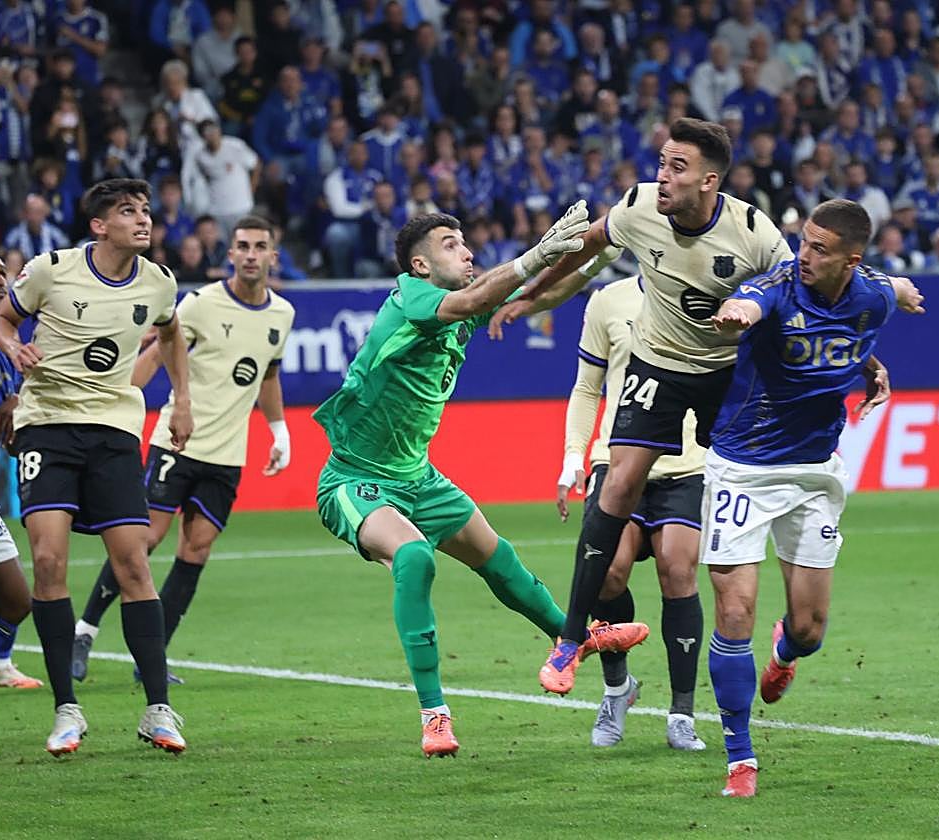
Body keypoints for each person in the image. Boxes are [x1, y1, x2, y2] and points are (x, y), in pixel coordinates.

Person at [313, 203, 649, 758]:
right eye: (450, 244)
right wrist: (537, 253)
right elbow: (476, 298)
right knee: (414, 557)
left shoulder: (459, 309)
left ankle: (573, 639)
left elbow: (533, 294)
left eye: (465, 242)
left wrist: (593, 255)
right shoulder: (409, 300)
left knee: (500, 559)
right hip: (355, 481)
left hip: (418, 478)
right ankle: (435, 714)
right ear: (420, 265)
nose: (467, 251)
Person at [490, 118, 794, 697]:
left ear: (709, 181)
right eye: (661, 163)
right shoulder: (638, 208)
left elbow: (798, 295)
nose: (663, 177)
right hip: (658, 366)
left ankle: (794, 626)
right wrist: (533, 298)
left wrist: (861, 361)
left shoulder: (755, 233)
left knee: (762, 491)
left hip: (726, 376)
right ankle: (570, 638)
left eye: (678, 168)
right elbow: (587, 247)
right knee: (618, 484)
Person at [702, 199, 924, 798]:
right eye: (804, 241)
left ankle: (786, 650)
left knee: (810, 628)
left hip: (815, 473)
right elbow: (751, 301)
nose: (804, 255)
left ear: (850, 260)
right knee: (734, 612)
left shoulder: (873, 295)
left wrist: (904, 299)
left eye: (820, 249)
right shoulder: (778, 287)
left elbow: (895, 287)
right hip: (743, 469)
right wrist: (736, 313)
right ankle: (740, 758)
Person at [0, 178, 194, 757]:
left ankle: (158, 709)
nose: (143, 219)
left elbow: (171, 334)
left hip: (114, 431)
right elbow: (2, 320)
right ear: (99, 226)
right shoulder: (50, 270)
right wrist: (15, 348)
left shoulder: (159, 282)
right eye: (128, 212)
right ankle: (66, 710)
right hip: (47, 426)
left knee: (133, 564)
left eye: (146, 210)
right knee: (49, 561)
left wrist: (182, 400)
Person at [71, 215, 296, 682]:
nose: (251, 255)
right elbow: (156, 354)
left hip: (227, 455)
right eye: (242, 246)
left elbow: (268, 375)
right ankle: (84, 631)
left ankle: (151, 658)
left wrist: (279, 431)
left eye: (260, 247)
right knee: (144, 539)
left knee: (197, 549)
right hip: (177, 443)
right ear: (229, 254)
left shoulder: (282, 315)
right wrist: (112, 406)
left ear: (273, 257)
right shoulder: (200, 304)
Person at [555, 255, 708, 751]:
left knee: (678, 570)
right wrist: (573, 457)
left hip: (686, 464)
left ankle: (681, 714)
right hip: (617, 460)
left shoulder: (711, 300)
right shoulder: (609, 301)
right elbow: (587, 387)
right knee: (609, 573)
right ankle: (618, 687)